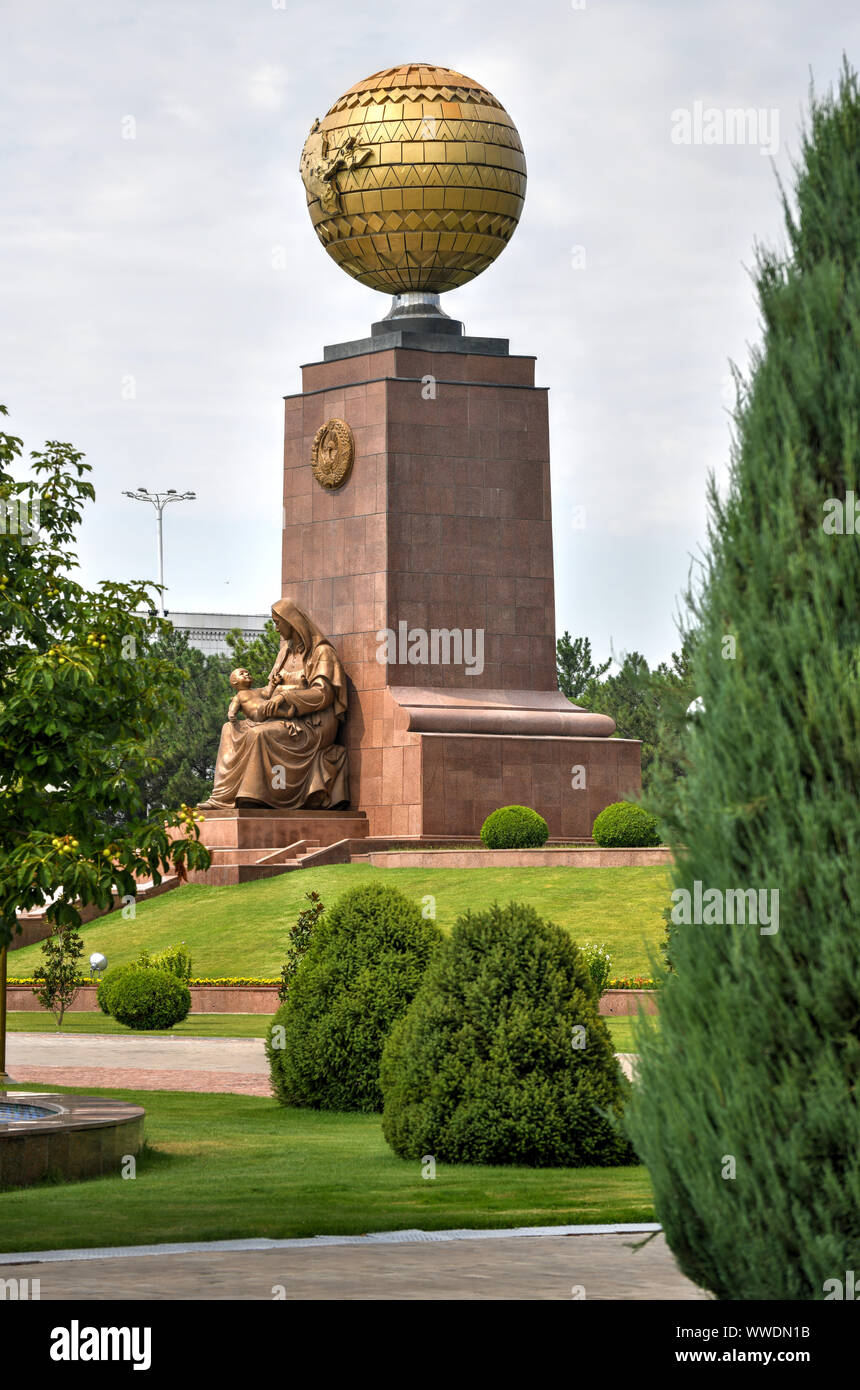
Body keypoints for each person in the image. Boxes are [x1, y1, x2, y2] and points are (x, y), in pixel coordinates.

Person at [199, 599, 349, 810]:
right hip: (281, 717)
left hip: (314, 724)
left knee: (258, 734)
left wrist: (287, 698)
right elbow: (269, 687)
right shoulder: (284, 653)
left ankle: (255, 798)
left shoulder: (322, 652)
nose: (276, 628)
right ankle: (222, 798)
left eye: (278, 622)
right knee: (229, 729)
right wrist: (246, 695)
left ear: (292, 622)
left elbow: (323, 694)